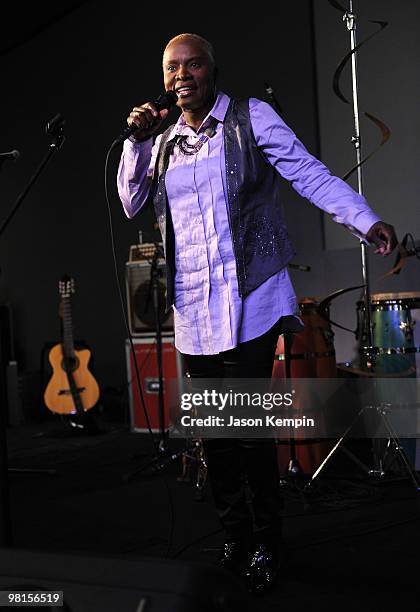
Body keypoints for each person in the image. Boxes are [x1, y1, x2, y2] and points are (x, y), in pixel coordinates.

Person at [117, 33, 397, 593]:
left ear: (212, 71)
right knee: (215, 437)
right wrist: (137, 142)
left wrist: (364, 220)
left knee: (247, 431)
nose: (182, 75)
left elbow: (308, 173)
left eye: (193, 64)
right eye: (173, 67)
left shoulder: (251, 118)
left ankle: (269, 541)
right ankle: (235, 538)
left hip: (250, 300)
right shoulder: (164, 140)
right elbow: (130, 202)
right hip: (194, 307)